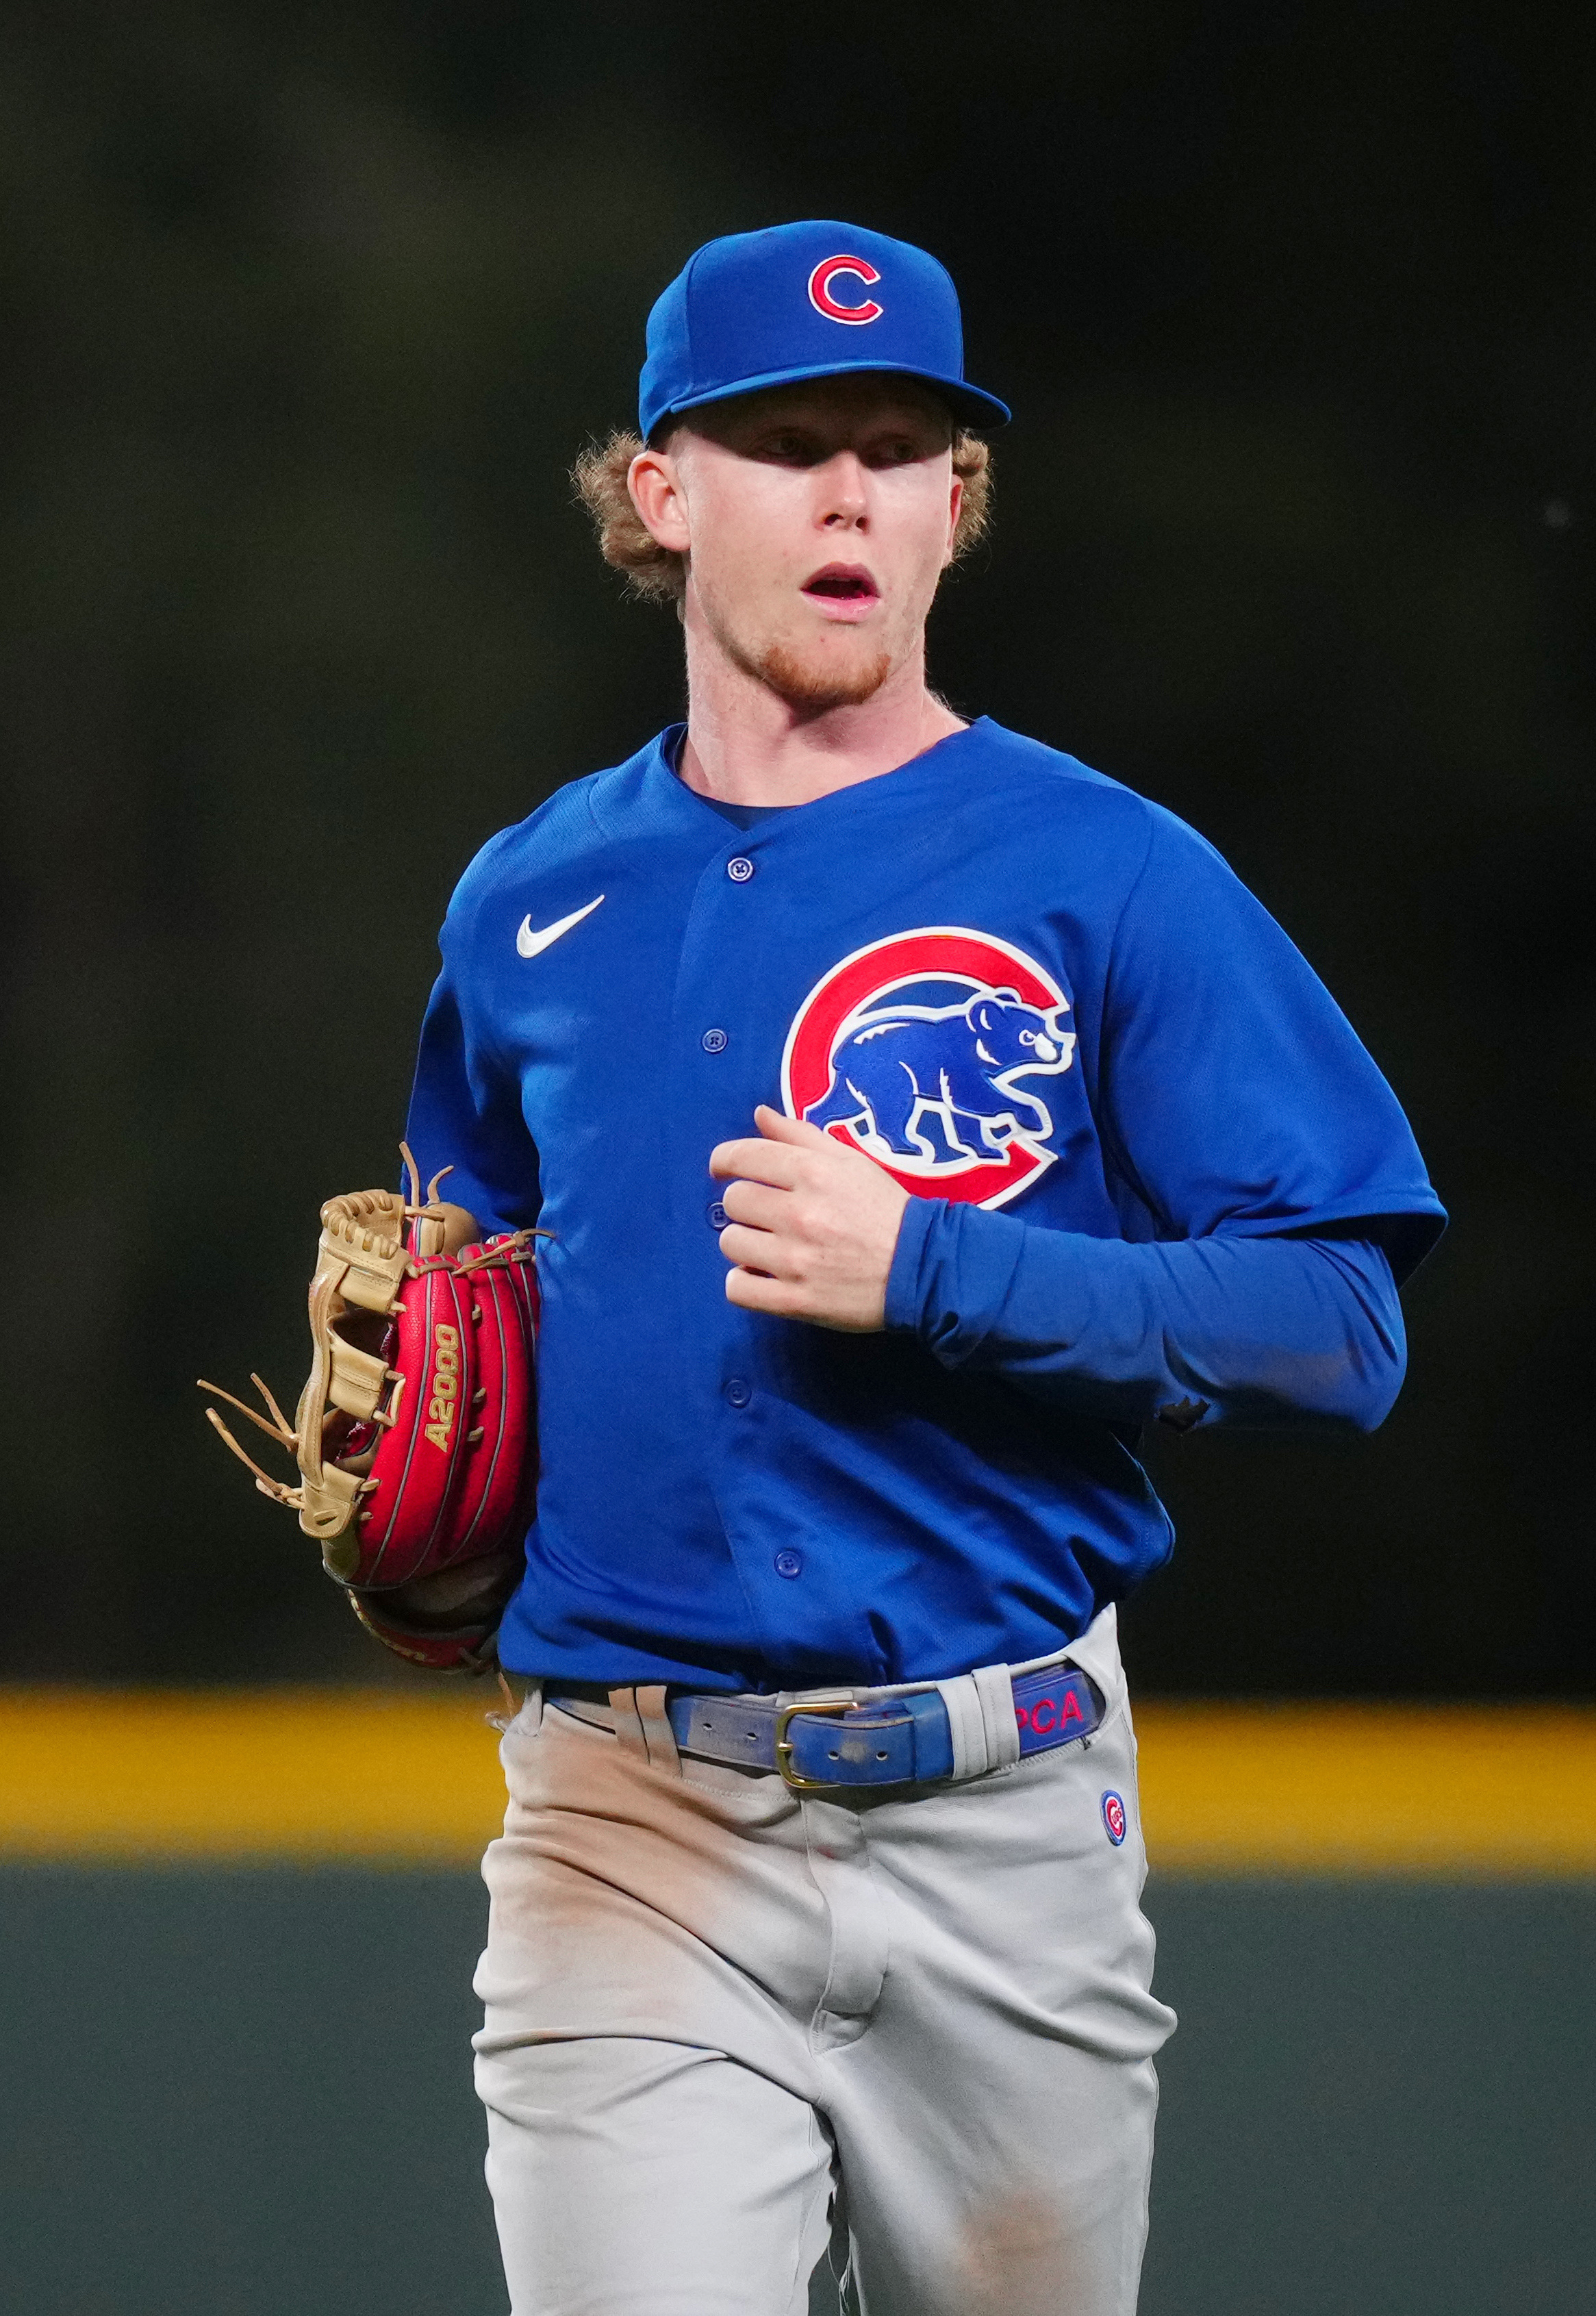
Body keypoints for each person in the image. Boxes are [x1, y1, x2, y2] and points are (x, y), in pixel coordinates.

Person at [398, 221, 1445, 2316]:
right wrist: (450, 1472)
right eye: (788, 443)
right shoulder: (529, 900)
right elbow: (468, 1280)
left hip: (1007, 1823)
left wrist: (941, 1272)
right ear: (661, 494)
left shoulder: (1107, 873)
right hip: (629, 1810)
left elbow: (1338, 1325)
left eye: (902, 447)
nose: (851, 493)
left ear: (959, 508)